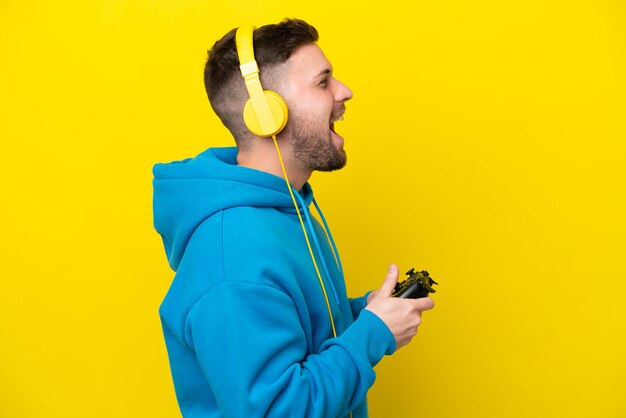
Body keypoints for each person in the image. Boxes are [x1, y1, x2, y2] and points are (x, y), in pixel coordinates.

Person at [152, 18, 435, 418]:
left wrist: (364, 314)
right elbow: (276, 411)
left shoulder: (286, 210)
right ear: (268, 113)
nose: (344, 91)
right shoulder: (233, 257)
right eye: (323, 82)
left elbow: (294, 334)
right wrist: (373, 334)